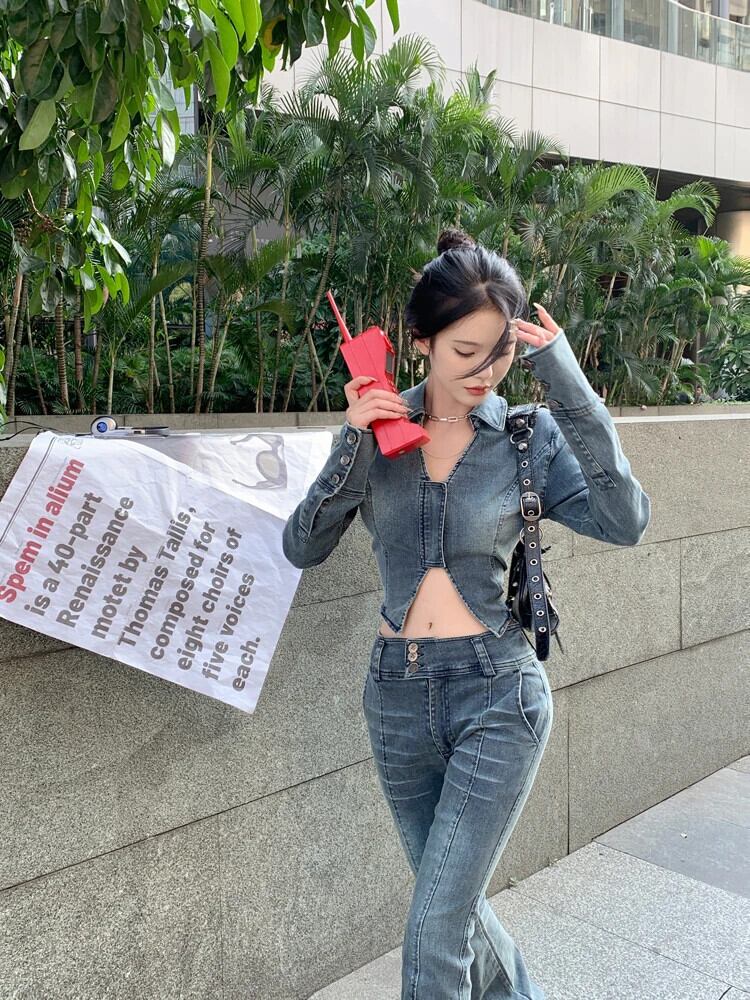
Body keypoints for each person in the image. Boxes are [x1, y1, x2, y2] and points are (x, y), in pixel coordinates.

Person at [282, 228, 651, 999]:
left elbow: (626, 520)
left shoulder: (526, 438)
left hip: (498, 695)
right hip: (396, 699)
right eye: (465, 352)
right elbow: (302, 547)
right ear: (420, 342)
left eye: (500, 353)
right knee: (457, 913)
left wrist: (567, 382)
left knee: (434, 931)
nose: (485, 372)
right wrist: (352, 440)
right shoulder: (377, 433)